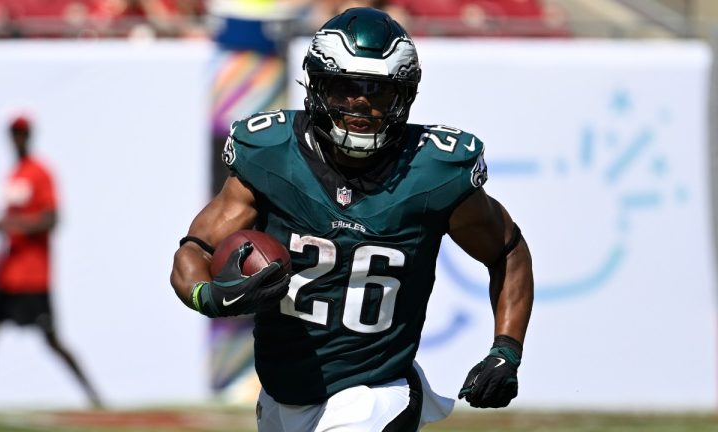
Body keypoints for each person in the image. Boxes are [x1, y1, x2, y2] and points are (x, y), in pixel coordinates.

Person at [170, 7, 533, 431]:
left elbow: (507, 251)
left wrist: (506, 350)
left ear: (405, 96)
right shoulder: (271, 155)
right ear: (317, 86)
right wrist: (208, 296)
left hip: (376, 391)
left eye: (377, 90)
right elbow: (194, 250)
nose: (360, 103)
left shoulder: (434, 169)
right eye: (345, 87)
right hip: (281, 392)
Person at [0, 114, 102, 410]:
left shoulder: (41, 173)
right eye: (13, 133)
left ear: (29, 136)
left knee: (53, 341)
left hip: (32, 276)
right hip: (6, 275)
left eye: (22, 133)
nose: (17, 138)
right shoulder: (13, 174)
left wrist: (12, 225)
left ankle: (93, 396)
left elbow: (52, 219)